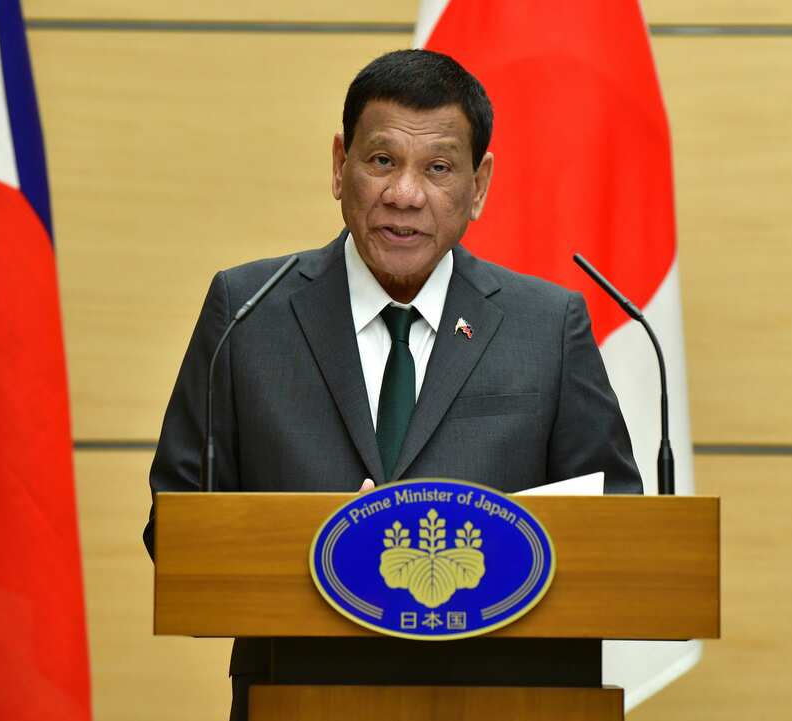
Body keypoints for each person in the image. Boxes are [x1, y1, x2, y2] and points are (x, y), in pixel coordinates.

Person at [144, 48, 643, 721]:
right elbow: (175, 529)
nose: (405, 194)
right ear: (338, 166)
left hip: (502, 701)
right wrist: (323, 545)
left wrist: (466, 546)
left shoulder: (546, 327)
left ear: (479, 186)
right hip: (299, 698)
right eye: (382, 161)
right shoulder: (247, 312)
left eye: (438, 168)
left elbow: (620, 532)